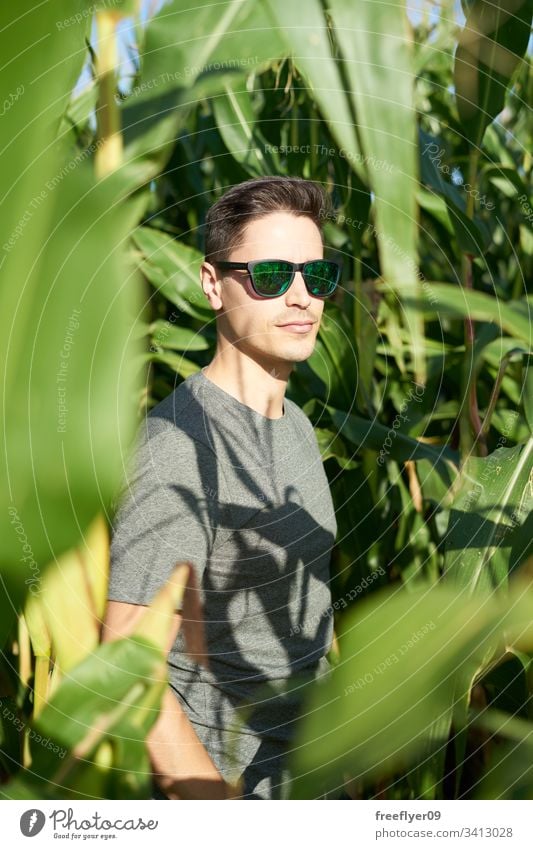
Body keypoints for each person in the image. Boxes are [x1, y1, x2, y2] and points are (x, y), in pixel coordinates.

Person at [101, 175, 341, 800]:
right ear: (213, 285)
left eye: (315, 277)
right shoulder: (180, 444)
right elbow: (128, 654)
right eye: (269, 275)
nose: (300, 298)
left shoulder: (298, 431)